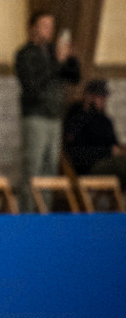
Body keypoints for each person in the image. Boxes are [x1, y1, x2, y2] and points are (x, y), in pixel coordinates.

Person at [14, 11, 80, 211]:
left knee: (50, 169)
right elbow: (32, 85)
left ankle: (45, 213)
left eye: (51, 26)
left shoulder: (52, 52)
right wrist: (57, 63)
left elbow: (74, 77)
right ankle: (27, 215)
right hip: (36, 116)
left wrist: (71, 59)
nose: (49, 30)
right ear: (32, 27)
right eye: (44, 25)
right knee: (33, 168)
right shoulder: (25, 54)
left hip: (54, 117)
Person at [63, 79, 126, 188]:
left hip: (107, 160)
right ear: (88, 96)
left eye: (104, 97)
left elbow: (113, 144)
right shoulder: (76, 117)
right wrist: (107, 152)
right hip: (89, 165)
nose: (103, 100)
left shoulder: (105, 120)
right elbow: (77, 152)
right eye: (99, 96)